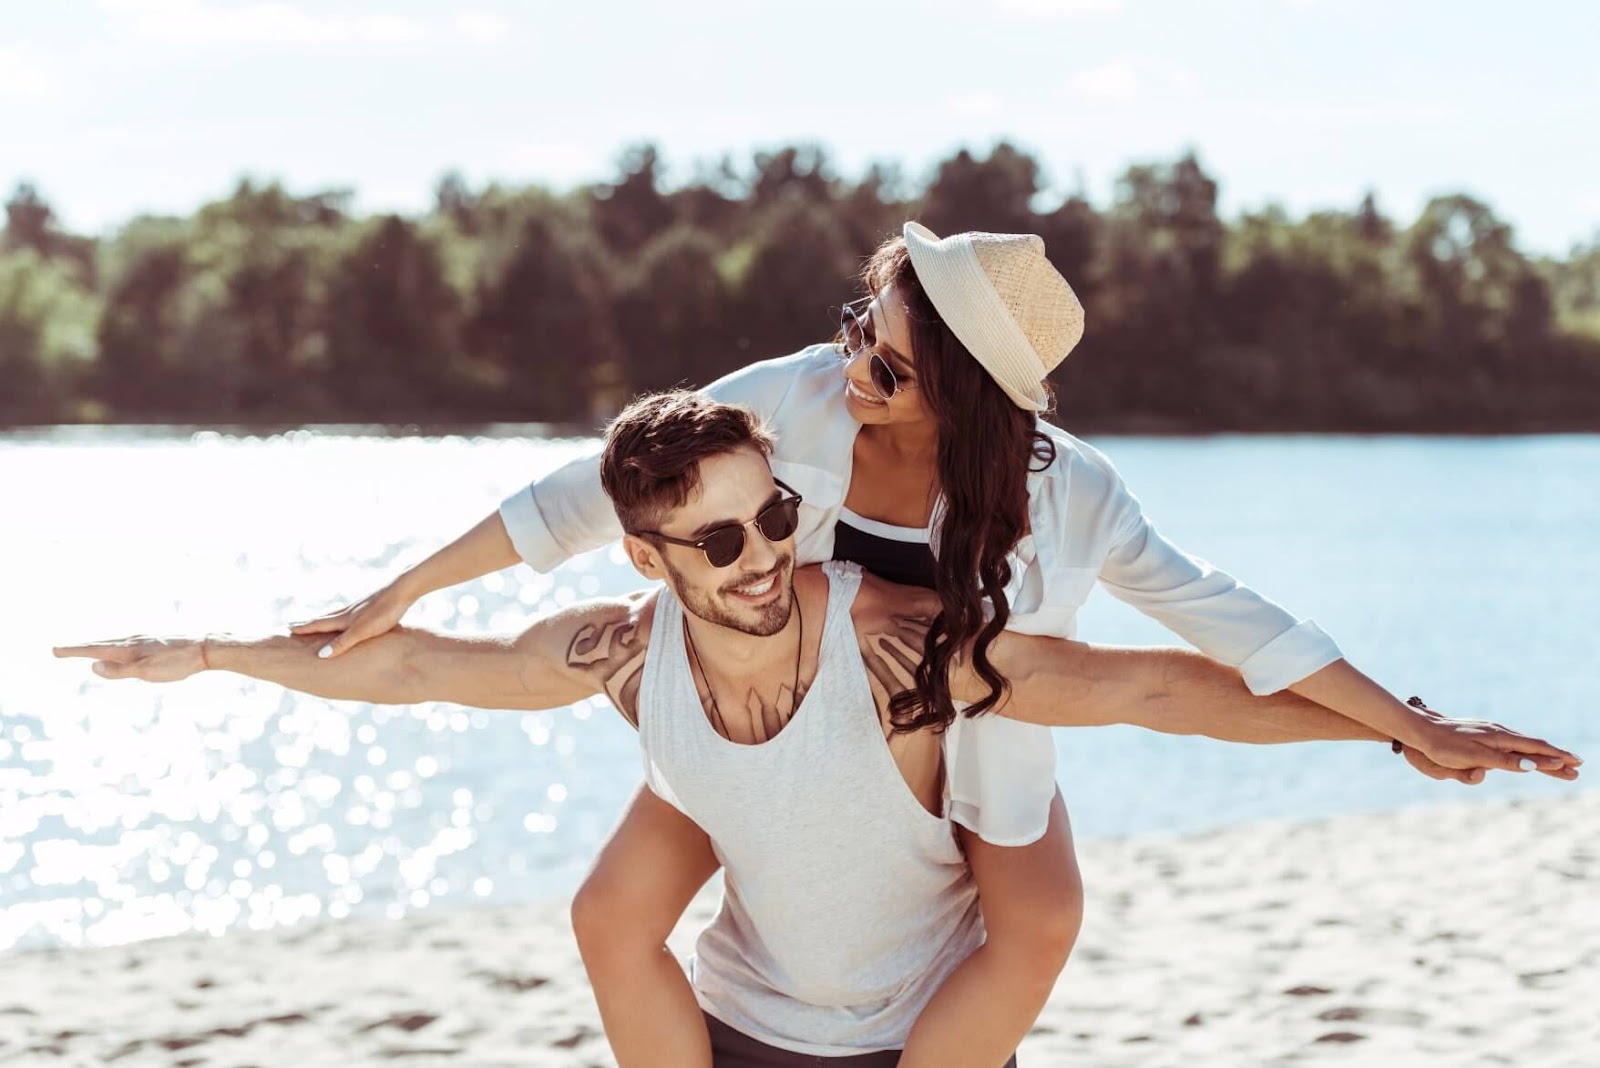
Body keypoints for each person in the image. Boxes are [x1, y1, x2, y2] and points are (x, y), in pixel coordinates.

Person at [286, 224, 1581, 1065]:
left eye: (891, 366)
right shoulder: (793, 395)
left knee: (1037, 914)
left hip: (980, 723)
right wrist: (395, 593)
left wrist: (1404, 725)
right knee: (632, 903)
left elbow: (1220, 629)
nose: (855, 365)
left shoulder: (1074, 495)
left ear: (968, 394)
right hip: (799, 720)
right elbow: (584, 498)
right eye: (860, 327)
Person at [56, 392, 1578, 1067]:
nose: (764, 555)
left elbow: (1154, 687)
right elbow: (413, 674)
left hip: (918, 1042)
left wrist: (1399, 733)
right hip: (735, 1037)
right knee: (608, 916)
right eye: (717, 541)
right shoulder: (620, 651)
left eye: (774, 514)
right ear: (647, 560)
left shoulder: (908, 649)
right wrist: (206, 654)